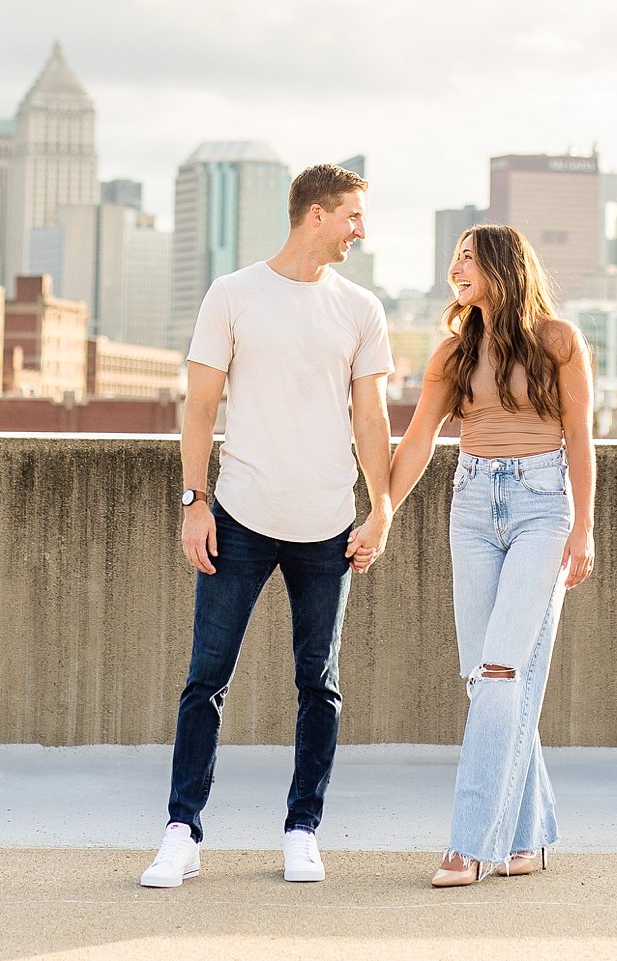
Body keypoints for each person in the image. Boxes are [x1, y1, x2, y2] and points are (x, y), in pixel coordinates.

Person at [139, 163, 395, 890]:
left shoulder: (361, 308)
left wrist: (382, 507)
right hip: (240, 517)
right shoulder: (234, 294)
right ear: (315, 214)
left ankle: (302, 829)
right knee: (205, 679)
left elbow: (371, 419)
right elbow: (199, 407)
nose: (361, 230)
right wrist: (194, 501)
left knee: (320, 684)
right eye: (352, 215)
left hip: (328, 526)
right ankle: (182, 830)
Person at [382, 223, 596, 888]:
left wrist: (583, 526)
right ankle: (529, 834)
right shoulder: (452, 352)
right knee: (487, 678)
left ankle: (468, 843)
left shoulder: (559, 340)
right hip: (472, 507)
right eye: (454, 258)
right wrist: (381, 510)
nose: (455, 269)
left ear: (503, 265)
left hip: (541, 506)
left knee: (502, 671)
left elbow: (582, 436)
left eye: (467, 257)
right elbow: (417, 439)